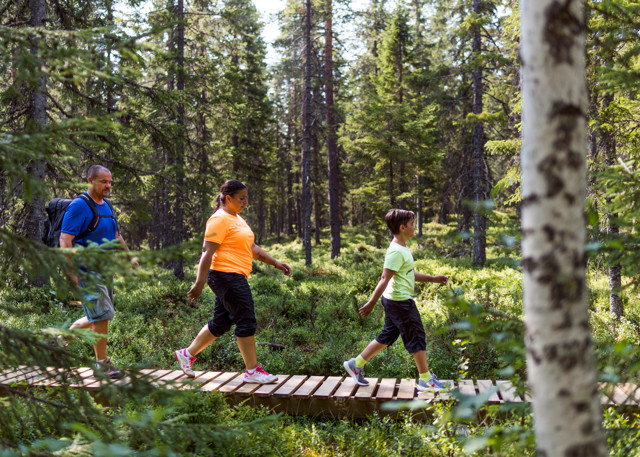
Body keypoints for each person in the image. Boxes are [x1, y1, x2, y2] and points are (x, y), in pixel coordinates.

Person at [175, 179, 291, 384]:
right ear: (228, 198)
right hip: (225, 275)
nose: (245, 202)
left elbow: (252, 248)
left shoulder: (237, 219)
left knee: (221, 322)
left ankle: (187, 354)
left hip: (234, 275)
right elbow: (206, 253)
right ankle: (252, 371)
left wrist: (275, 262)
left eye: (246, 198)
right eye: (241, 198)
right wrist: (199, 283)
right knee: (246, 319)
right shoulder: (218, 219)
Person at [343, 209, 450, 392]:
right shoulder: (395, 251)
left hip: (395, 300)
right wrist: (370, 303)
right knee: (416, 335)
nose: (414, 227)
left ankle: (356, 364)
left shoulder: (402, 248)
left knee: (388, 335)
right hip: (400, 302)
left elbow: (407, 273)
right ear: (402, 227)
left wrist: (433, 278)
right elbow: (384, 279)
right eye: (411, 224)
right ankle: (425, 380)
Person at [59, 165, 138, 379]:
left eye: (110, 182)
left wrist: (129, 257)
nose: (108, 186)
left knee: (98, 315)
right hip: (87, 270)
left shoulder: (107, 206)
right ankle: (101, 365)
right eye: (103, 181)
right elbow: (65, 240)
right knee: (102, 314)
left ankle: (60, 339)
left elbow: (115, 234)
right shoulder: (79, 206)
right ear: (90, 180)